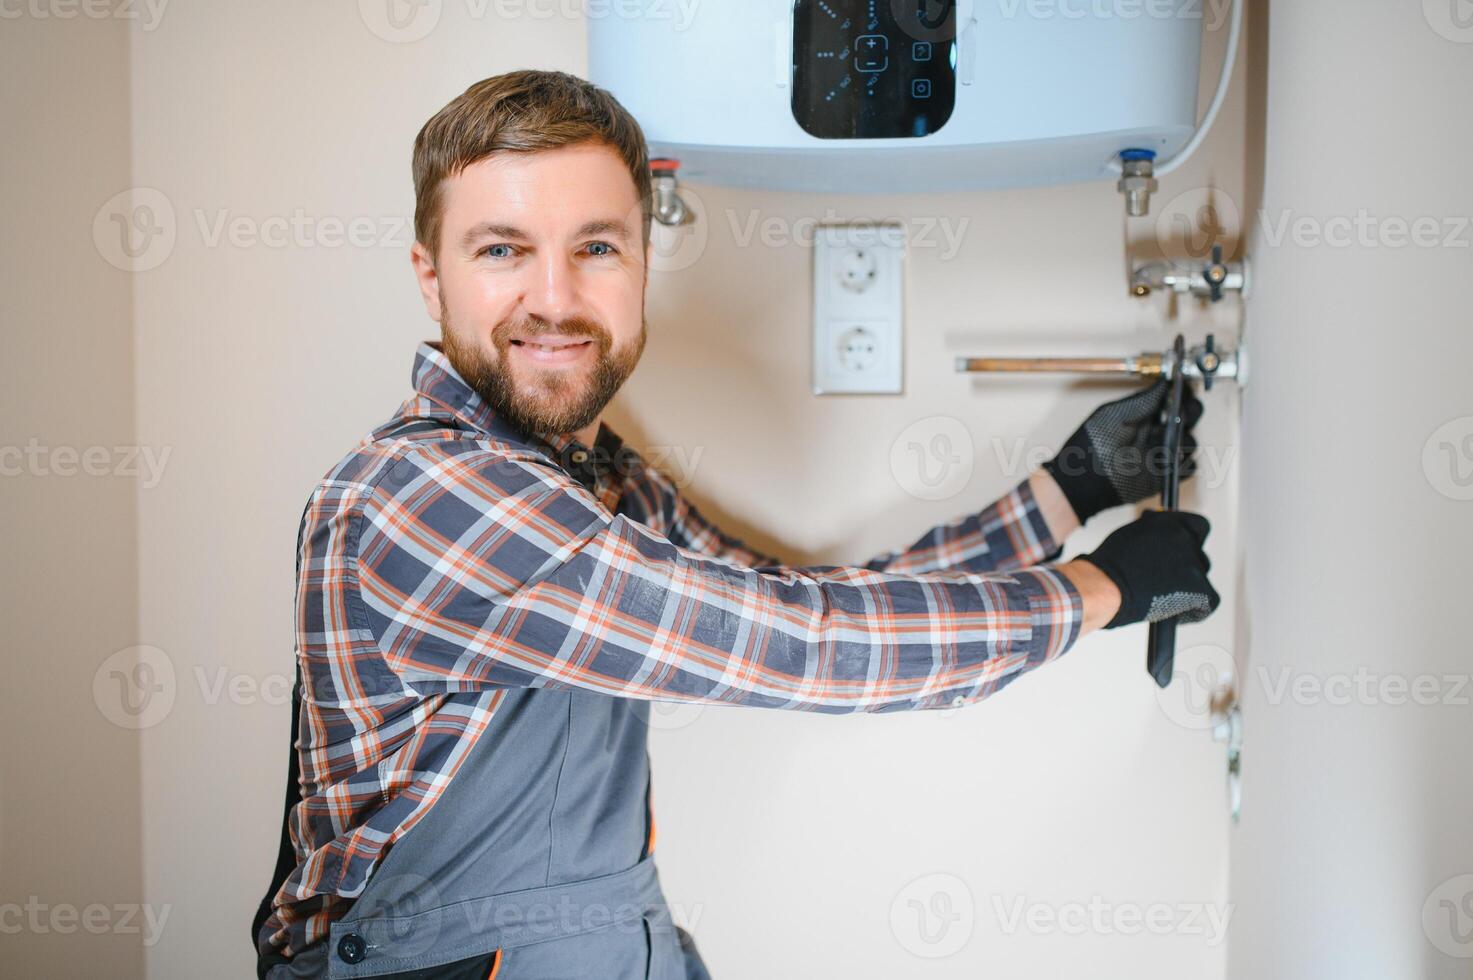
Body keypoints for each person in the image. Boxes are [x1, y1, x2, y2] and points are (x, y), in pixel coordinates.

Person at [252, 69, 1217, 979]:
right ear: (431, 277)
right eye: (501, 249)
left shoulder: (600, 482)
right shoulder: (427, 494)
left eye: (594, 247)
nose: (554, 297)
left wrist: (1069, 489)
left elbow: (808, 599)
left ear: (638, 263)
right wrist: (1099, 590)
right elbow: (805, 648)